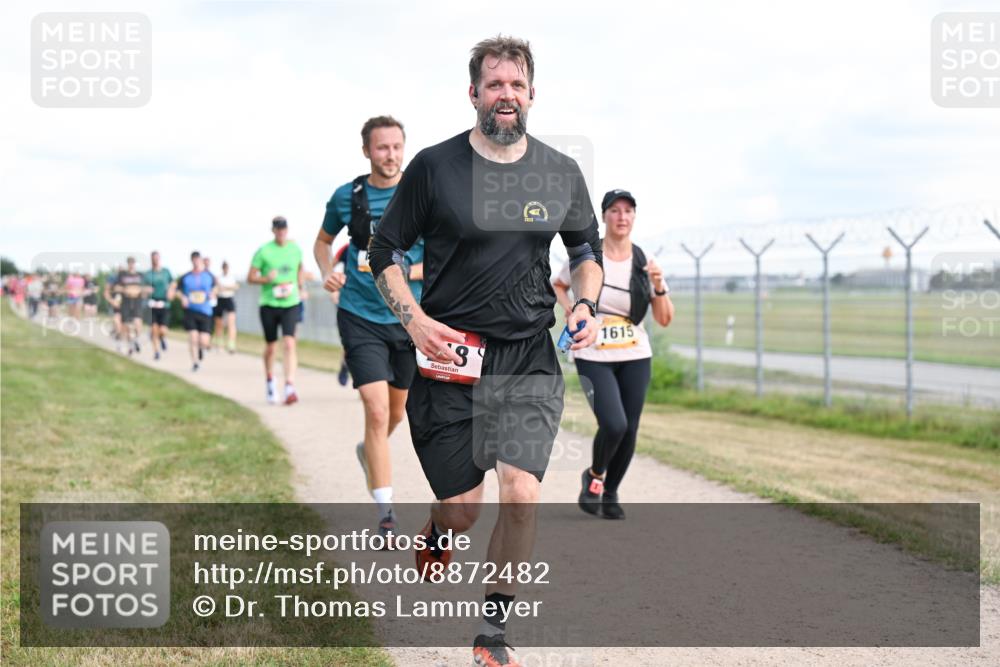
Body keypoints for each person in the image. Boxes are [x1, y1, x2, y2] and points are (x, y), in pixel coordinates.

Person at [369, 36, 603, 667]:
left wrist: (583, 305)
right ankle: (439, 529)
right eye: (495, 84)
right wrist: (413, 320)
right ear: (473, 93)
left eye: (517, 85)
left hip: (527, 355)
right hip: (450, 357)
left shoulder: (559, 172)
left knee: (522, 493)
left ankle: (493, 633)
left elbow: (586, 253)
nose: (507, 95)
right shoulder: (434, 167)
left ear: (532, 96)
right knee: (464, 511)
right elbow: (382, 252)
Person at [315, 115, 424, 541]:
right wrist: (327, 272)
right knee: (377, 410)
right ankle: (386, 514)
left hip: (407, 318)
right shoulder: (348, 196)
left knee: (397, 411)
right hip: (360, 314)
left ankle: (368, 449)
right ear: (367, 151)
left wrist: (404, 271)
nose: (391, 155)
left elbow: (442, 255)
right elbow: (323, 243)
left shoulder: (421, 195)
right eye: (382, 147)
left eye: (397, 146)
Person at [552, 189, 674, 519]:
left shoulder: (643, 261)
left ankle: (610, 493)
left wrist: (659, 285)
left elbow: (664, 318)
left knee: (630, 428)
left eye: (628, 211)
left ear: (634, 217)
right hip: (593, 352)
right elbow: (558, 284)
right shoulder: (590, 258)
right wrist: (571, 309)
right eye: (615, 211)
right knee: (614, 423)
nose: (622, 217)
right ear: (604, 216)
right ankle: (594, 475)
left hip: (635, 353)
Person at [248, 216, 304, 405]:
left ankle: (289, 386)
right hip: (269, 303)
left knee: (289, 343)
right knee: (271, 347)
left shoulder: (295, 249)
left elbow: (299, 270)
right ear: (273, 231)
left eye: (284, 229)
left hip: (290, 303)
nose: (281, 232)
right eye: (278, 229)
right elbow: (250, 277)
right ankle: (270, 381)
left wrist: (301, 287)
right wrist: (266, 279)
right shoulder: (264, 251)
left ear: (287, 230)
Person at [171, 251, 216, 371]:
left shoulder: (209, 276)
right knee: (193, 336)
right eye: (194, 259)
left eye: (198, 259)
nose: (196, 262)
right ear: (191, 261)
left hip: (205, 311)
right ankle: (195, 362)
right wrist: (183, 298)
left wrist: (213, 293)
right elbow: (178, 291)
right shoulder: (186, 277)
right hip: (191, 311)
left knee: (204, 340)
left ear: (200, 260)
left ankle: (202, 349)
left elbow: (216, 287)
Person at [143, 251, 173, 361]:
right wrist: (146, 290)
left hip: (164, 304)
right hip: (152, 304)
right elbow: (142, 289)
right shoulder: (147, 274)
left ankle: (162, 338)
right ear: (151, 259)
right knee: (154, 329)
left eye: (157, 258)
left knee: (163, 330)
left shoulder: (166, 272)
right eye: (153, 258)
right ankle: (156, 352)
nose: (155, 260)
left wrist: (170, 291)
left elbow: (173, 283)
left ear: (159, 259)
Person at [114, 257, 145, 355]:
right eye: (129, 263)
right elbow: (116, 287)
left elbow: (144, 288)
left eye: (133, 263)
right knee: (126, 325)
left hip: (137, 302)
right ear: (127, 264)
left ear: (135, 264)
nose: (131, 264)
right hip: (126, 302)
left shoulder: (140, 275)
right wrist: (125, 290)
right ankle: (130, 345)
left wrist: (140, 291)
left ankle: (136, 340)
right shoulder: (122, 275)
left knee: (137, 323)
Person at [213, 260, 239, 353]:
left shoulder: (232, 277)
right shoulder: (218, 277)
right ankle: (219, 343)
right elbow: (216, 288)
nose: (225, 269)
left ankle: (231, 344)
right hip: (220, 299)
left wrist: (225, 288)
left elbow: (236, 286)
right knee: (219, 323)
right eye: (224, 267)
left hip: (229, 299)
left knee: (231, 322)